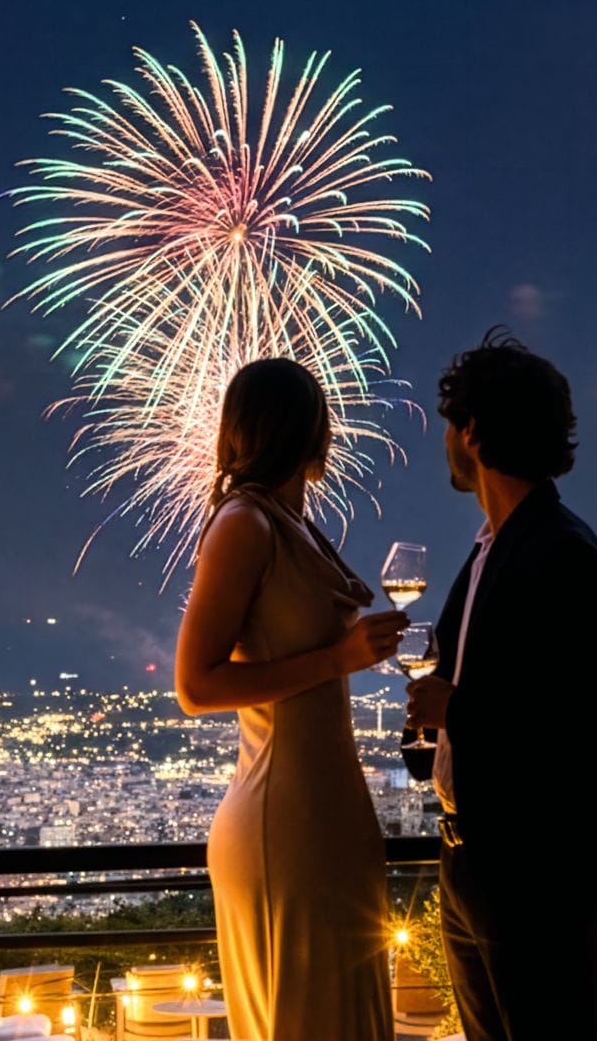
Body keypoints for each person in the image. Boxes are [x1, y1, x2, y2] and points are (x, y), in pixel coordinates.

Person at [404, 331, 597, 1040]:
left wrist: (453, 710)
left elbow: (575, 725)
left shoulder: (561, 553)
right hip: (469, 857)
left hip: (535, 874)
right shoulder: (496, 548)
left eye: (448, 426)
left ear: (471, 431)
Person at [175, 359, 406, 1041]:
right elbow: (196, 685)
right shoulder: (244, 525)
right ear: (313, 434)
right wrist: (339, 658)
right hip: (286, 821)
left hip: (329, 813)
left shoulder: (291, 523)